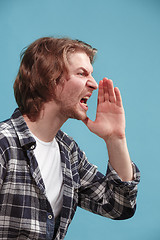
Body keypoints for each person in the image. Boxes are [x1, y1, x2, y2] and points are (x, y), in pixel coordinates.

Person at [0, 37, 140, 240]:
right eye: (82, 73)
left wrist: (115, 138)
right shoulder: (4, 143)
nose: (93, 84)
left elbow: (120, 206)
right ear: (49, 80)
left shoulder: (69, 152)